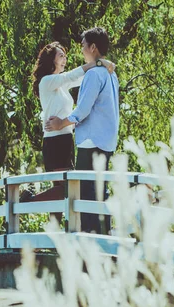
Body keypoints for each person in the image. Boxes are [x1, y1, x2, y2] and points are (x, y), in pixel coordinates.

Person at [23, 42, 115, 224]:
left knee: (62, 191)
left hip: (66, 141)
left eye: (65, 56)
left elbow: (78, 78)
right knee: (67, 189)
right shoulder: (47, 82)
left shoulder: (61, 87)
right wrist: (100, 62)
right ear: (51, 60)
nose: (64, 59)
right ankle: (29, 202)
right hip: (55, 143)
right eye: (60, 56)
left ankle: (53, 234)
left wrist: (99, 68)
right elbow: (72, 75)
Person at [45, 27, 119, 234]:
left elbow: (83, 109)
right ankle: (103, 233)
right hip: (106, 140)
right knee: (99, 190)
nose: (82, 48)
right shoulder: (111, 74)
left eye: (84, 45)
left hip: (91, 140)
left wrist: (62, 123)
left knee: (86, 192)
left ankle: (89, 236)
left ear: (93, 47)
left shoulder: (95, 75)